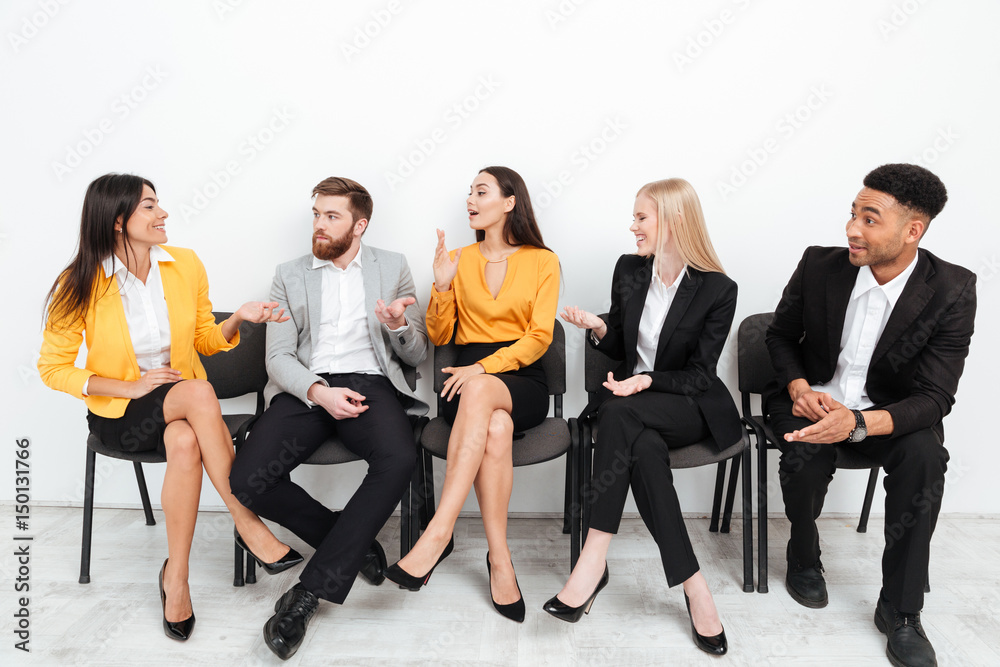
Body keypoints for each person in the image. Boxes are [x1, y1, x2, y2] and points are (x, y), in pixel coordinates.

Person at [38, 173, 295, 642]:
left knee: (184, 440)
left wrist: (237, 317)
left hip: (181, 410)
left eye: (159, 205)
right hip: (121, 413)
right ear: (118, 222)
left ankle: (175, 579)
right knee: (199, 393)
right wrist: (129, 387)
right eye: (150, 207)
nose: (163, 214)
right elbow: (52, 368)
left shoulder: (184, 264)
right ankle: (246, 519)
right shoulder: (79, 281)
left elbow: (202, 339)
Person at [765, 163, 976, 667]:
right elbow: (778, 336)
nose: (851, 229)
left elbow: (934, 397)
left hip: (887, 418)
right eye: (853, 213)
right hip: (811, 401)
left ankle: (901, 610)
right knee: (804, 453)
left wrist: (858, 423)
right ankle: (803, 550)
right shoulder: (820, 265)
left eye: (870, 218)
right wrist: (798, 386)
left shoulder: (951, 289)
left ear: (912, 230)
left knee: (927, 454)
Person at [229, 176, 428, 660]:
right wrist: (319, 391)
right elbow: (277, 357)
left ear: (360, 225)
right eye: (316, 214)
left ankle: (306, 595)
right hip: (305, 385)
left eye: (331, 216)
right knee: (249, 478)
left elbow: (419, 353)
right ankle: (351, 542)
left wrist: (398, 325)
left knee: (397, 459)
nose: (319, 224)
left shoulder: (393, 267)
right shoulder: (289, 273)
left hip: (371, 384)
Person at [544, 178, 739, 656]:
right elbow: (619, 341)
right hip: (632, 408)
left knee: (620, 414)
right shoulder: (630, 269)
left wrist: (647, 381)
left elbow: (699, 374)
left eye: (641, 218)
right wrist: (599, 329)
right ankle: (695, 586)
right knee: (643, 448)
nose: (632, 226)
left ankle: (592, 563)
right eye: (634, 217)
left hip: (687, 404)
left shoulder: (718, 288)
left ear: (673, 221)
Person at [383, 166, 560, 624]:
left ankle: (438, 533)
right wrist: (441, 285)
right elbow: (440, 335)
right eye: (469, 193)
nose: (470, 200)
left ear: (509, 201)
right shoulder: (457, 258)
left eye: (481, 191)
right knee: (495, 428)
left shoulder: (543, 261)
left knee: (490, 399)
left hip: (520, 376)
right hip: (461, 377)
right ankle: (500, 560)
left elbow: (539, 337)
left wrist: (484, 368)